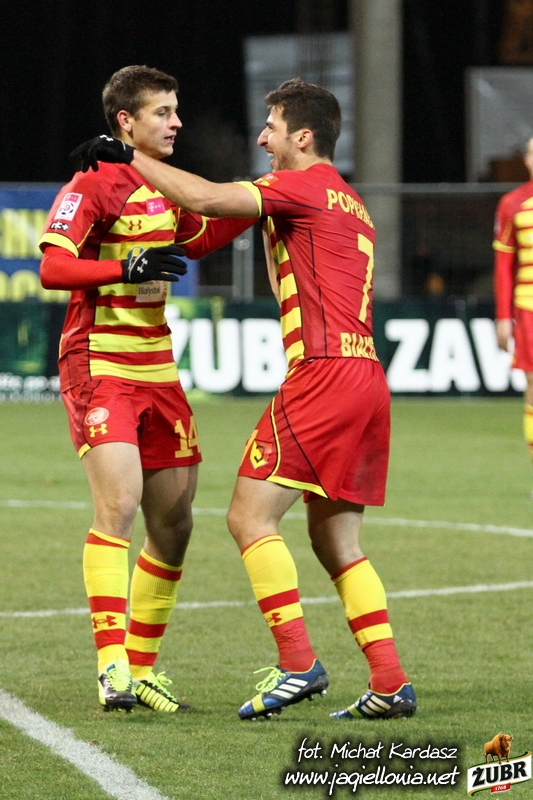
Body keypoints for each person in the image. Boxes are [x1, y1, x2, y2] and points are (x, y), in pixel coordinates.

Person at [71, 77, 416, 721]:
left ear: (302, 138)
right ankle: (390, 681)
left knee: (248, 518)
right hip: (368, 377)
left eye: (272, 127)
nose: (262, 138)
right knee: (336, 540)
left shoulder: (299, 185)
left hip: (321, 374)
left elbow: (205, 198)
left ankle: (297, 663)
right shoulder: (353, 202)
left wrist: (127, 155)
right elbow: (208, 223)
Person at [39, 65, 253, 713]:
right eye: (163, 112)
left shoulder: (166, 186)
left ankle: (143, 667)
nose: (176, 122)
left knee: (176, 524)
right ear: (125, 122)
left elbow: (206, 232)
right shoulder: (92, 182)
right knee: (121, 506)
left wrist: (268, 200)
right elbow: (52, 267)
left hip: (159, 369)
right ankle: (112, 669)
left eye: (177, 110)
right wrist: (122, 266)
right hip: (100, 362)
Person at [493, 135, 533, 495]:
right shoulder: (512, 203)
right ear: (526, 159)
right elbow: (504, 265)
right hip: (529, 308)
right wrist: (503, 317)